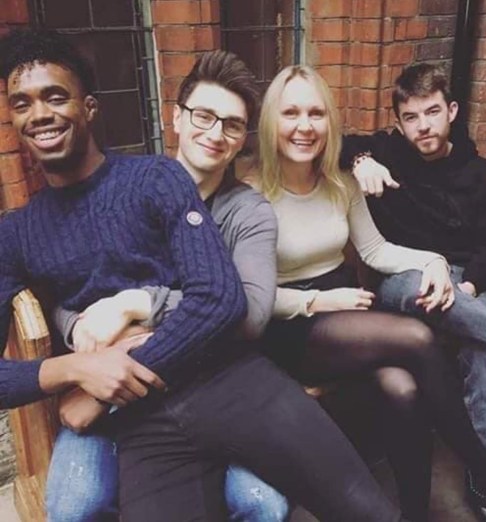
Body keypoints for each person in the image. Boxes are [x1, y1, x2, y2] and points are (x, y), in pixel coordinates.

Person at [0, 29, 415, 522]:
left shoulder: (157, 179)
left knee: (363, 509)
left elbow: (219, 298)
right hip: (143, 422)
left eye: (55, 97)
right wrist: (76, 371)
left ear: (89, 107)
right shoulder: (16, 234)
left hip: (227, 379)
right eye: (22, 103)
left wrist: (116, 367)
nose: (40, 114)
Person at [48, 48, 288, 522]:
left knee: (264, 504)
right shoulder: (120, 188)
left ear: (242, 139)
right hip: (109, 381)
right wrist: (80, 329)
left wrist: (136, 304)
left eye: (232, 125)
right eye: (204, 116)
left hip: (209, 379)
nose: (215, 134)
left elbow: (247, 314)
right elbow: (61, 284)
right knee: (75, 505)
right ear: (176, 117)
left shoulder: (248, 212)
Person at [339, 62, 486, 521]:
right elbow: (337, 143)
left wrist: (468, 286)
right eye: (411, 117)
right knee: (420, 288)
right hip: (402, 278)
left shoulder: (480, 173)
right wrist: (361, 161)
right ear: (399, 122)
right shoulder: (387, 151)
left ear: (452, 111)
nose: (422, 126)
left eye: (432, 112)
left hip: (465, 283)